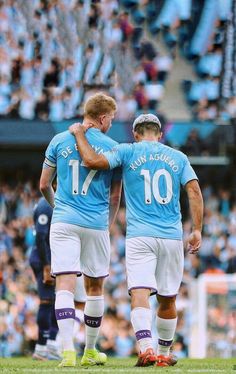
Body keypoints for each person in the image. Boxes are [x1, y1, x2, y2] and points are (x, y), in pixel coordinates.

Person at [69, 113, 204, 367]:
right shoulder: (178, 157)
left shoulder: (127, 151)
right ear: (160, 134)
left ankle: (146, 347)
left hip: (140, 235)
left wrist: (78, 133)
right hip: (171, 236)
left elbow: (91, 161)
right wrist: (197, 229)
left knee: (140, 292)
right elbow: (194, 190)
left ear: (136, 133)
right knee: (168, 297)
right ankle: (164, 353)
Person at [39, 93, 122, 367]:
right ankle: (89, 350)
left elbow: (43, 185)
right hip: (95, 223)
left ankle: (66, 353)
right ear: (102, 118)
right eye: (111, 118)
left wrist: (58, 208)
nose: (111, 123)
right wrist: (106, 225)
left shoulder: (58, 140)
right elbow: (114, 196)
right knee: (94, 285)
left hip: (64, 220)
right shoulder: (112, 146)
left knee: (64, 282)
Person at [30, 197, 86, 361]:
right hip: (43, 259)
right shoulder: (45, 204)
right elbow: (41, 236)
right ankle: (41, 348)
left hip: (53, 258)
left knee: (57, 301)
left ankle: (52, 345)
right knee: (47, 301)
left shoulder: (56, 202)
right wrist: (47, 265)